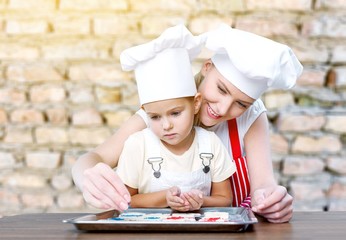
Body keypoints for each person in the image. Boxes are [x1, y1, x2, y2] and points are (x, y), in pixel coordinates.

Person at [72, 23, 303, 223]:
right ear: (207, 66)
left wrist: (272, 199)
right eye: (221, 89)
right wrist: (88, 177)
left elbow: (264, 183)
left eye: (241, 104)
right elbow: (92, 159)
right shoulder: (162, 113)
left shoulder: (252, 116)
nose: (223, 109)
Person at [116, 25, 236, 211]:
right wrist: (164, 198)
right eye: (155, 117)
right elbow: (126, 200)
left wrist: (202, 201)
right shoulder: (138, 145)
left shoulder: (210, 144)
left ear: (196, 103)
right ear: (144, 111)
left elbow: (225, 198)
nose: (166, 125)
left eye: (175, 113)